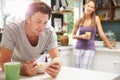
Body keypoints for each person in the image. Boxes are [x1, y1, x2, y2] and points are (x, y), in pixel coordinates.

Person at [0, 2, 61, 78]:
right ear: (27, 18)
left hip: (36, 73)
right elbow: (3, 62)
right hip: (14, 72)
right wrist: (21, 70)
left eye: (45, 23)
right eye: (38, 21)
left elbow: (56, 58)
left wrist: (56, 67)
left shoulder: (49, 32)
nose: (42, 27)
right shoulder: (11, 29)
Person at [72, 0, 114, 69]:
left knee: (85, 71)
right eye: (88, 6)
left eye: (92, 7)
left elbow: (101, 33)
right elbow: (73, 36)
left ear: (94, 10)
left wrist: (109, 46)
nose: (89, 8)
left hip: (89, 49)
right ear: (85, 6)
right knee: (77, 70)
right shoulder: (78, 20)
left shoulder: (96, 19)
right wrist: (81, 36)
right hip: (78, 48)